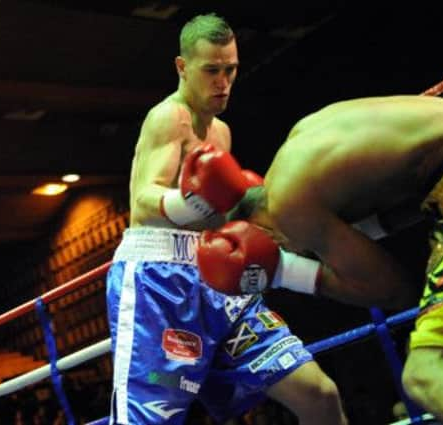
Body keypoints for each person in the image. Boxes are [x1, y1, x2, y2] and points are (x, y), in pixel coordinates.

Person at [190, 95, 443, 425]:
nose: (304, 253)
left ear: (264, 235)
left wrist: (286, 271)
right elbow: (408, 205)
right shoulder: (306, 144)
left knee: (432, 374)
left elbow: (395, 292)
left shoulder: (286, 204)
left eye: (283, 251)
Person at [105, 13, 348, 425]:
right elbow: (144, 202)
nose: (223, 82)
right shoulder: (168, 117)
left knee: (318, 394)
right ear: (183, 68)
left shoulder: (222, 134)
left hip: (217, 277)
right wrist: (195, 202)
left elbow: (218, 214)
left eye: (230, 70)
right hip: (159, 284)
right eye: (211, 71)